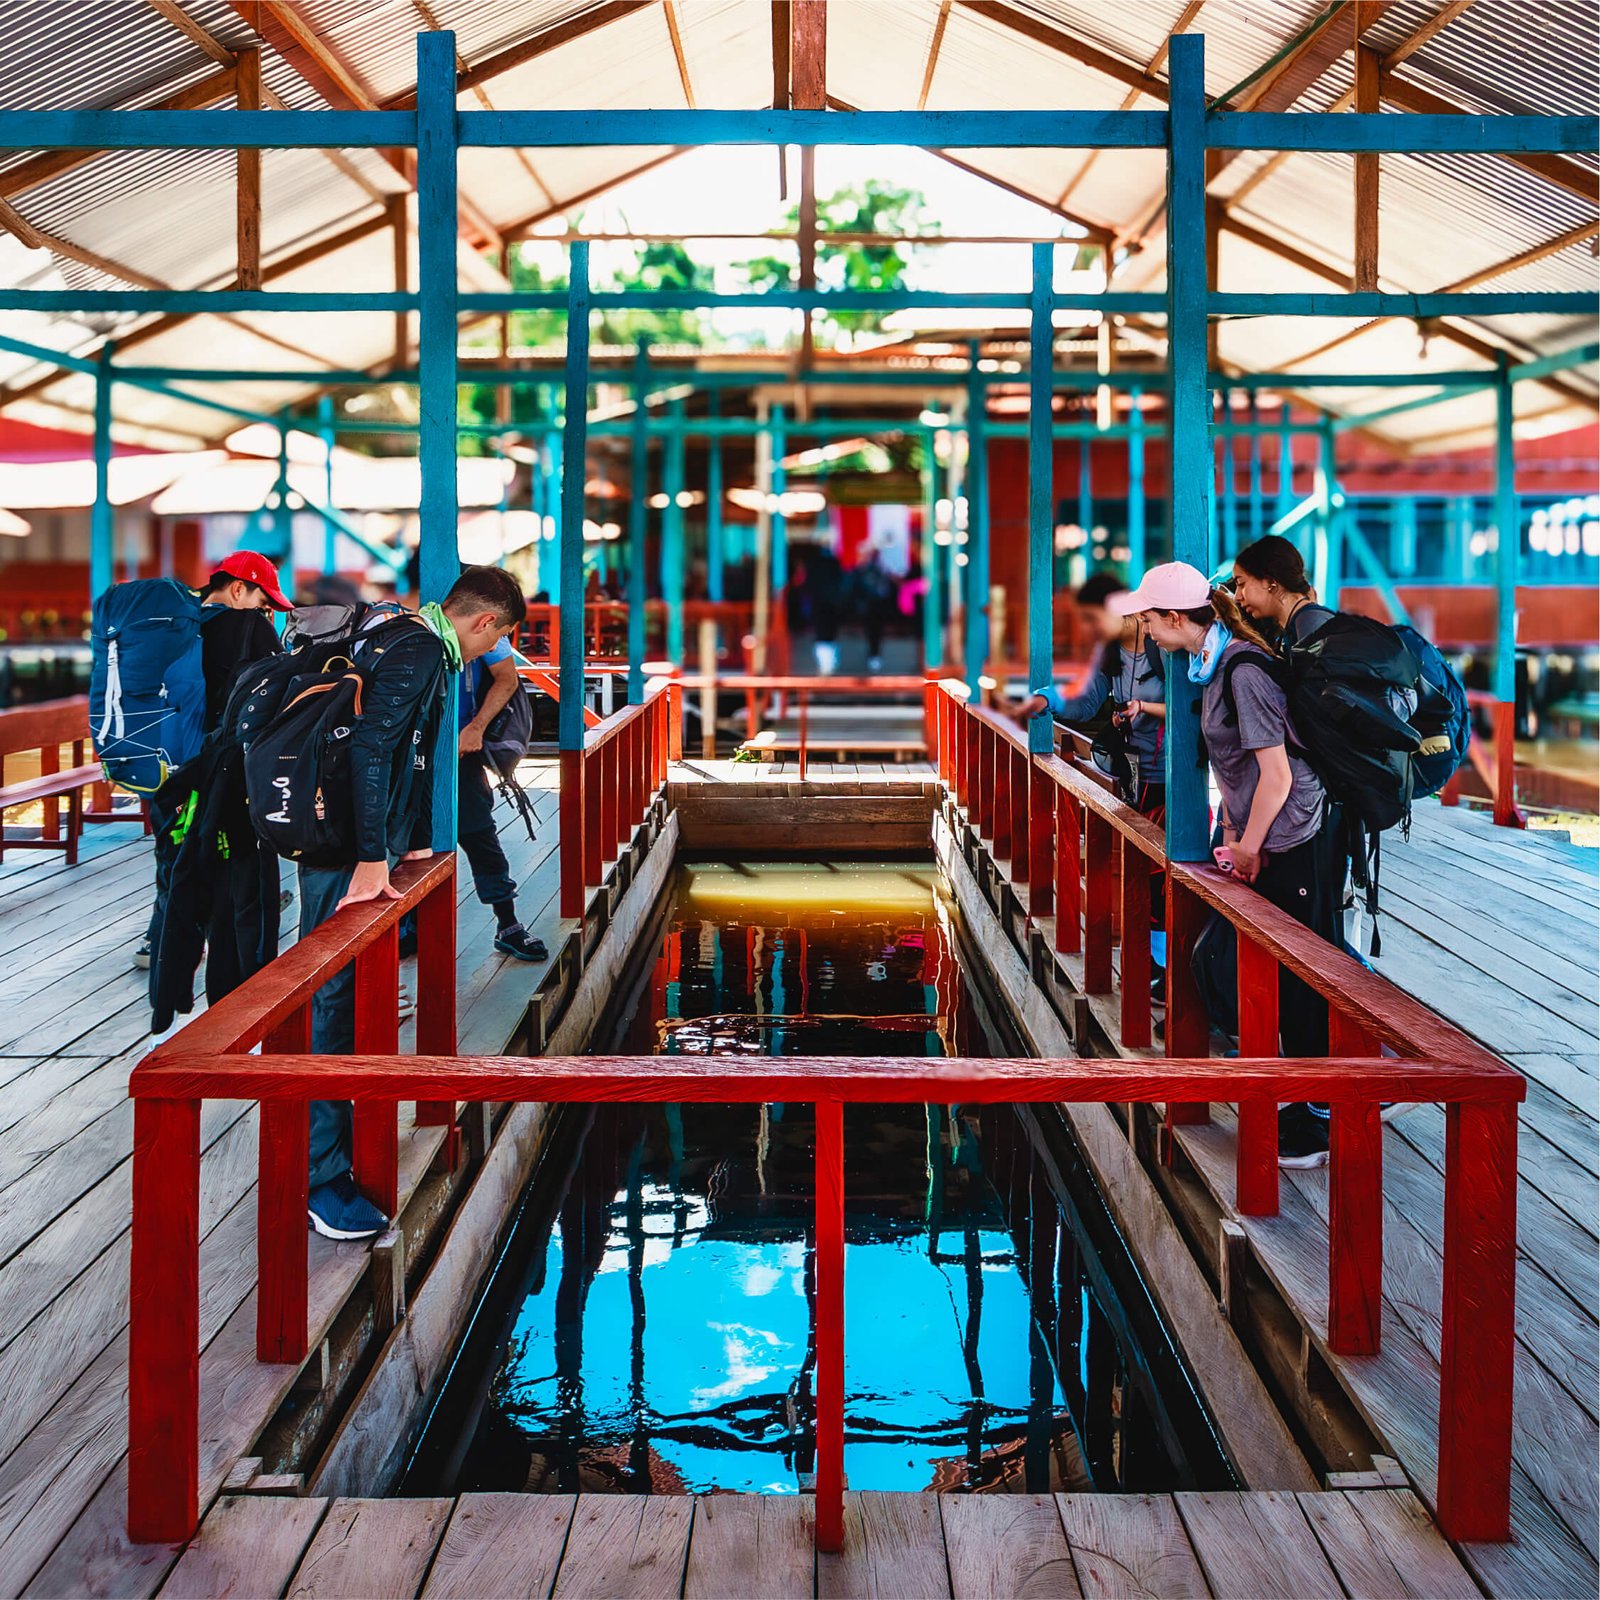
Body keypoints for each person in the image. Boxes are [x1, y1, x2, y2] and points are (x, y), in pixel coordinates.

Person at [300, 564, 525, 1241]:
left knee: (340, 997)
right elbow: (372, 749)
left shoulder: (404, 632)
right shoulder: (425, 650)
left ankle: (328, 1155)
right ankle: (321, 1178)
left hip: (348, 840)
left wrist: (414, 836)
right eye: (494, 640)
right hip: (346, 851)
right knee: (332, 997)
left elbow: (408, 750)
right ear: (483, 622)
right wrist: (374, 855)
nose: (488, 654)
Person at [1113, 561, 1341, 1168]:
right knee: (1243, 962)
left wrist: (1249, 845)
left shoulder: (1242, 670)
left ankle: (1325, 1111)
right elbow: (1234, 765)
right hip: (1267, 834)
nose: (1145, 630)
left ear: (1175, 618)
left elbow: (1278, 775)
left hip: (1296, 834)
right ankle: (1305, 1092)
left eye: (1149, 619)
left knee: (1302, 973)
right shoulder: (1210, 666)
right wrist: (1236, 833)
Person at [133, 551, 293, 970]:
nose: (265, 612)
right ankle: (234, 955)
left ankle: (159, 939)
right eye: (263, 601)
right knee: (234, 856)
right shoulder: (248, 625)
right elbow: (281, 688)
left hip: (168, 762)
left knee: (175, 845)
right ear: (238, 589)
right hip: (222, 762)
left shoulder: (175, 627)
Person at [1012, 572, 1168, 981]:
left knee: (1162, 877)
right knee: (1141, 871)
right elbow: (1085, 701)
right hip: (1134, 775)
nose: (1090, 628)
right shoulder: (1110, 651)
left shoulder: (1164, 646)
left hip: (1171, 777)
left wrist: (1144, 709)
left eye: (1092, 618)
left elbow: (1192, 707)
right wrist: (1046, 699)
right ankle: (1153, 965)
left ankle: (1168, 970)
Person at [458, 636, 547, 961]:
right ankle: (408, 925)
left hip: (462, 747)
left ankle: (507, 924)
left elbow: (507, 677)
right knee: (405, 845)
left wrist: (476, 727)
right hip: (409, 751)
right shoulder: (390, 619)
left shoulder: (483, 624)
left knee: (480, 835)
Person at [1229, 535, 1333, 650]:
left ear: (1270, 582)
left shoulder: (1310, 624)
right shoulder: (1295, 626)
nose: (1237, 597)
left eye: (1241, 584)